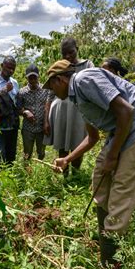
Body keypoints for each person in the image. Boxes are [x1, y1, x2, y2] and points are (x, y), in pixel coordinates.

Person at [43, 59, 135, 269]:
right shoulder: (78, 99)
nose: (51, 91)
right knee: (100, 176)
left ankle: (111, 265)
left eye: (51, 86)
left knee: (121, 192)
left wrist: (113, 156)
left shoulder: (83, 79)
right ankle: (106, 240)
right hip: (120, 132)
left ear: (59, 79)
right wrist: (66, 159)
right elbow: (92, 138)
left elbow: (126, 111)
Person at [44, 38, 94, 177]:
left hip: (79, 112)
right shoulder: (60, 66)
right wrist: (46, 120)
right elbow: (50, 94)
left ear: (77, 49)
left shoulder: (87, 65)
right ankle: (64, 176)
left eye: (71, 52)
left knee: (78, 142)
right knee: (62, 145)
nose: (68, 56)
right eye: (64, 54)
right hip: (62, 112)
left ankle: (76, 176)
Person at [17, 64, 51, 161]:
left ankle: (39, 170)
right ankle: (28, 171)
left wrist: (46, 123)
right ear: (26, 78)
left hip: (41, 127)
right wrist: (25, 112)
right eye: (30, 78)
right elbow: (18, 108)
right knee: (27, 153)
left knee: (41, 152)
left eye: (34, 77)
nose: (32, 80)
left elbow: (47, 107)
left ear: (38, 76)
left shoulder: (45, 90)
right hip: (28, 128)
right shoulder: (22, 92)